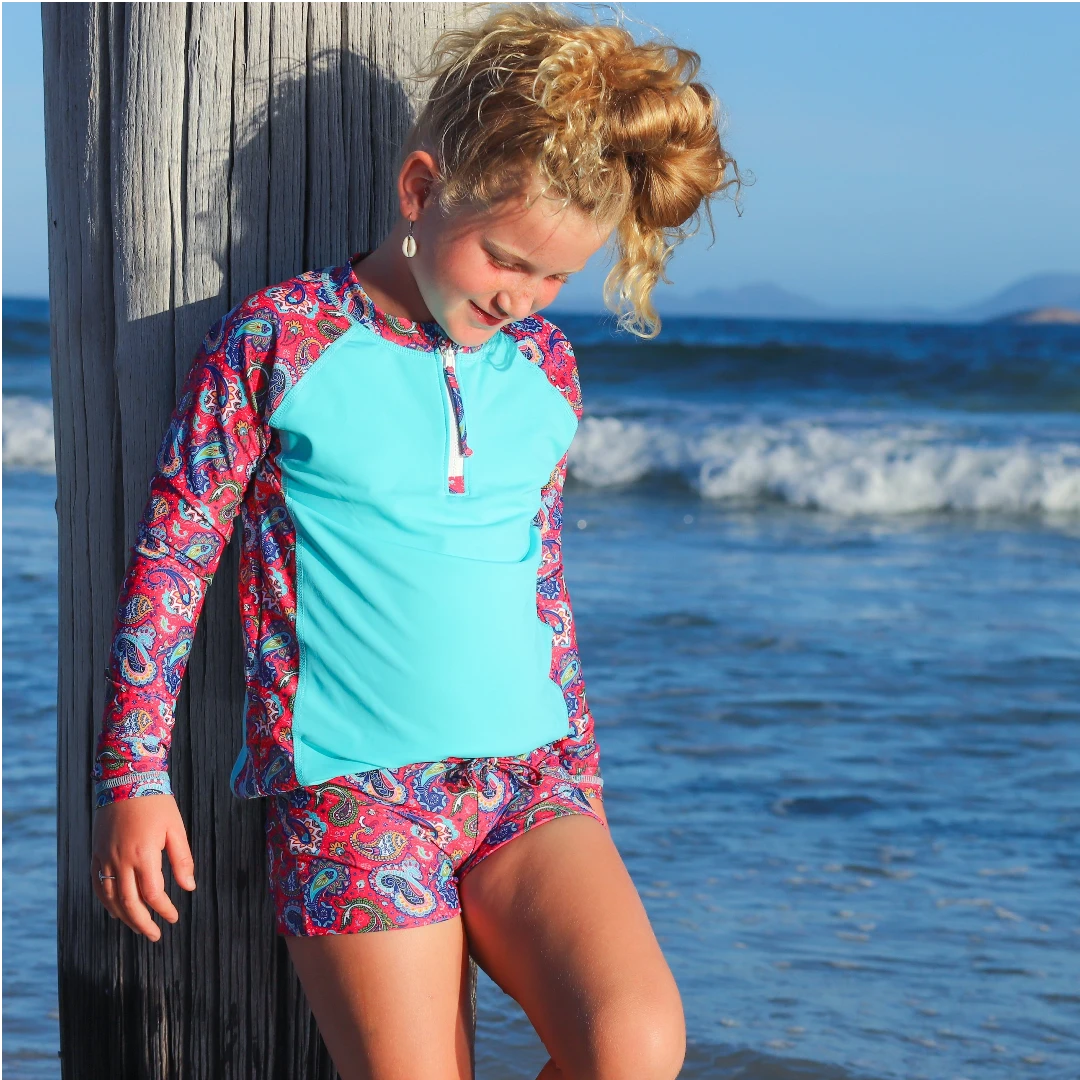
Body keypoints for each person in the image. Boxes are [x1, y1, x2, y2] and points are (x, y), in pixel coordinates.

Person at [90, 2, 740, 1076]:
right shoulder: (282, 340)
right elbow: (175, 561)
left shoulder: (546, 370)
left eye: (555, 277)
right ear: (422, 190)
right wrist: (133, 777)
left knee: (636, 1046)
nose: (522, 297)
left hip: (532, 785)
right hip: (356, 795)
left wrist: (584, 784)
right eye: (504, 258)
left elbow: (543, 588)